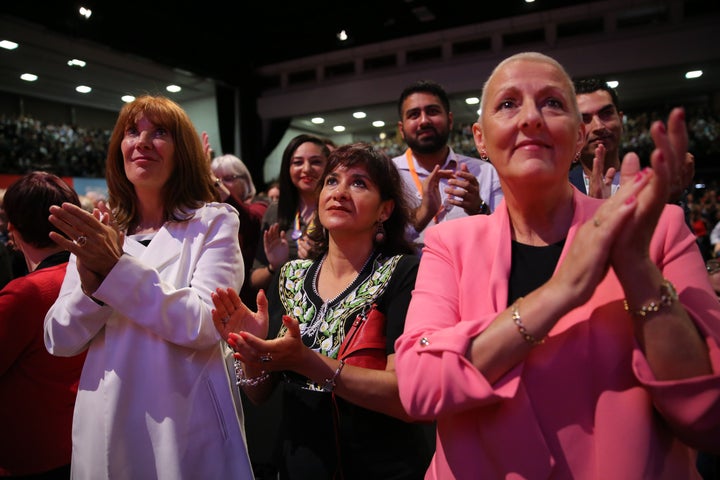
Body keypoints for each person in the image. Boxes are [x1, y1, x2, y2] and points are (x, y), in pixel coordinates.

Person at [395, 52, 720, 479]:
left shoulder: (659, 230)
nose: (531, 118)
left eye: (552, 103)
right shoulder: (449, 244)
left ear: (580, 136)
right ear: (480, 139)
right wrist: (559, 292)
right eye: (508, 104)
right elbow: (418, 388)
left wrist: (637, 269)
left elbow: (708, 417)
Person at [43, 95, 254, 478]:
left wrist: (114, 270)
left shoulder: (214, 222)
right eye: (131, 132)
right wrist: (92, 289)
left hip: (184, 415)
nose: (141, 142)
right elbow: (59, 337)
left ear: (184, 152)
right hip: (108, 415)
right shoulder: (105, 230)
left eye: (159, 133)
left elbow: (206, 323)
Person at [212, 143, 433, 479]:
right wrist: (251, 350)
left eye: (359, 183)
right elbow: (260, 395)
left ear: (385, 210)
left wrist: (306, 360)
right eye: (332, 181)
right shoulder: (292, 275)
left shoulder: (404, 273)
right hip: (297, 463)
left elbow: (406, 399)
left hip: (381, 466)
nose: (340, 192)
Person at [0, 171, 87, 478]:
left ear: (12, 229)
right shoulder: (97, 276)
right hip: (83, 443)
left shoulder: (24, 294)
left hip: (31, 458)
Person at [391, 79, 503, 250]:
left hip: (472, 274)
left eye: (432, 111)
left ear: (450, 120)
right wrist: (422, 214)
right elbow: (378, 242)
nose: (424, 121)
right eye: (414, 114)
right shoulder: (388, 175)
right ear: (401, 129)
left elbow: (507, 237)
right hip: (412, 276)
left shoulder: (485, 172)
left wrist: (479, 209)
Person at [249, 134, 330, 292]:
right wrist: (275, 266)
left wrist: (321, 259)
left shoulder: (336, 209)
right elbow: (254, 281)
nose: (306, 169)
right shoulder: (275, 211)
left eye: (315, 162)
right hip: (282, 308)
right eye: (298, 162)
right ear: (288, 168)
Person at [211, 153, 269, 309]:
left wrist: (214, 182)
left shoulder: (260, 205)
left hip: (249, 301)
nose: (220, 184)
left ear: (245, 182)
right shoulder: (211, 214)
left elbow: (249, 219)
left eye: (228, 179)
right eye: (216, 178)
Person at [568, 78, 624, 198]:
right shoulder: (557, 195)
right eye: (584, 119)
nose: (598, 126)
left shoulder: (653, 184)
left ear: (620, 120)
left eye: (607, 113)